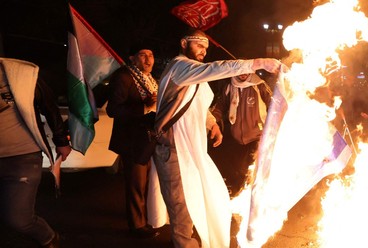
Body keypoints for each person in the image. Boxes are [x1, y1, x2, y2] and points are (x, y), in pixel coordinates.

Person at [152, 28, 282, 248]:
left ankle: (191, 240)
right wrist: (257, 62)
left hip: (192, 147)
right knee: (180, 204)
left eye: (205, 47)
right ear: (184, 43)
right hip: (174, 147)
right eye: (198, 45)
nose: (203, 51)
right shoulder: (180, 67)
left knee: (201, 196)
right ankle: (184, 244)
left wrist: (212, 124)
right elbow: (217, 68)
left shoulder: (192, 72)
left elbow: (197, 105)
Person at [0, 58, 72, 248]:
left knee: (18, 219)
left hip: (22, 157)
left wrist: (61, 141)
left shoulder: (20, 73)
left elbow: (49, 106)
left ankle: (49, 238)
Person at [106, 44, 159, 238]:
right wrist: (145, 107)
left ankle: (143, 216)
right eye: (143, 55)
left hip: (150, 138)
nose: (148, 59)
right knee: (136, 183)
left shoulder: (151, 79)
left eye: (151, 55)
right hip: (132, 139)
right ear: (132, 58)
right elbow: (113, 110)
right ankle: (137, 226)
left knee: (147, 183)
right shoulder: (124, 77)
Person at [210, 72, 272, 197]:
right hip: (236, 138)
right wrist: (212, 120)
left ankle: (258, 198)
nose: (243, 74)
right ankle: (240, 199)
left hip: (256, 137)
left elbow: (272, 103)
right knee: (239, 171)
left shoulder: (259, 85)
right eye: (240, 70)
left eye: (246, 70)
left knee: (255, 171)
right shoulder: (231, 86)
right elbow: (221, 106)